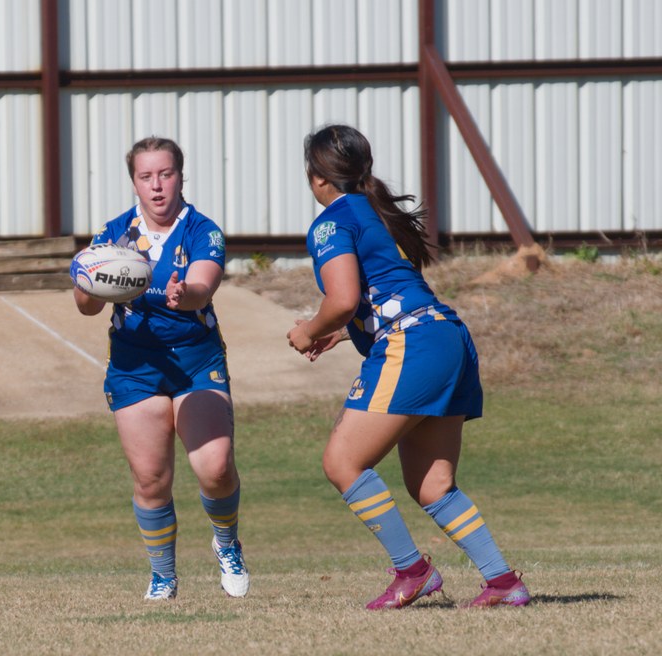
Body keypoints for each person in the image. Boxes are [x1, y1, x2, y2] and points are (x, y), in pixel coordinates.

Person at [286, 124, 529, 609]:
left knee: (342, 463)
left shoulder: (332, 222)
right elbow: (385, 287)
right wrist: (343, 330)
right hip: (446, 335)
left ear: (317, 179)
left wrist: (311, 329)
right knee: (432, 485)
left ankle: (412, 571)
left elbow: (343, 298)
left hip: (412, 342)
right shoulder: (376, 211)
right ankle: (503, 584)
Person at [72, 136, 249, 601]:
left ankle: (227, 542)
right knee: (151, 478)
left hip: (195, 359)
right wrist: (90, 284)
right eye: (146, 177)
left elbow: (202, 286)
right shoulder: (113, 236)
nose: (157, 186)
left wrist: (182, 295)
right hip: (135, 365)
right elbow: (85, 307)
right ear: (134, 182)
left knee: (215, 468)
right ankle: (163, 575)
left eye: (165, 175)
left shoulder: (202, 230)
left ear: (180, 177)